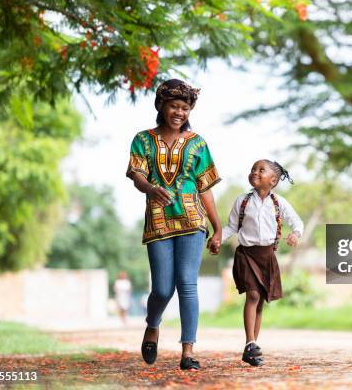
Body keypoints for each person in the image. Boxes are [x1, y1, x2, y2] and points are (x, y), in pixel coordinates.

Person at [126, 78, 222, 370]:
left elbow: (205, 187)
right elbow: (136, 175)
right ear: (161, 106)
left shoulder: (197, 143)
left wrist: (217, 228)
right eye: (173, 106)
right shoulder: (143, 139)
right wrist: (150, 189)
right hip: (158, 220)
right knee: (162, 290)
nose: (179, 112)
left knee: (187, 285)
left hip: (192, 220)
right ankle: (153, 324)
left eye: (185, 107)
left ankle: (188, 351)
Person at [221, 160, 304, 366]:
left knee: (259, 303)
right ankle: (250, 342)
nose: (254, 172)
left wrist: (295, 233)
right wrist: (216, 239)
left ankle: (252, 348)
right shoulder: (242, 201)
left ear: (273, 180)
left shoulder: (279, 202)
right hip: (246, 254)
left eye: (261, 170)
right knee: (253, 294)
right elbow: (231, 227)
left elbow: (297, 221)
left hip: (267, 256)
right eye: (252, 169)